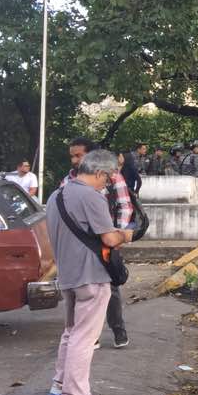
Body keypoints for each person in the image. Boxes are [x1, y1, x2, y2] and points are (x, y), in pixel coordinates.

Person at [47, 149, 134, 395]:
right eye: (107, 179)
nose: (107, 184)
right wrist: (128, 235)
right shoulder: (91, 197)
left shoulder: (56, 195)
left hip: (69, 275)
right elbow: (109, 238)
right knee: (85, 338)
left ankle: (60, 384)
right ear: (99, 173)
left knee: (71, 332)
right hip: (91, 276)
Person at [62, 138, 133, 350]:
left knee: (110, 288)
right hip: (80, 246)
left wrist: (117, 236)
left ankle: (118, 329)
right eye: (72, 156)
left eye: (79, 155)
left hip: (106, 241)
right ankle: (88, 335)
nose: (75, 160)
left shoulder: (112, 177)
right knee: (81, 293)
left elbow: (125, 206)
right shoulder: (68, 181)